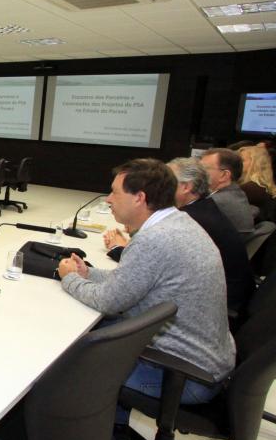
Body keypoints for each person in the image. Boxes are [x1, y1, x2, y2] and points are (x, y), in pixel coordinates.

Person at [58, 158, 235, 424]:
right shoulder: (177, 223)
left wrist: (69, 279)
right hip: (205, 361)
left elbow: (109, 301)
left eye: (115, 192)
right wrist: (88, 273)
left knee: (64, 363)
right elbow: (131, 280)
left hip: (183, 375)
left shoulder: (154, 240)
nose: (108, 199)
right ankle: (111, 430)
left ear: (139, 197)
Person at [104, 157, 255, 316]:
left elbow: (115, 296)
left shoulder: (191, 220)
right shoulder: (195, 213)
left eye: (168, 182)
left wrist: (119, 247)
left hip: (205, 314)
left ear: (186, 187)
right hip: (210, 308)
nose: (160, 187)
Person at [199, 148, 254, 235]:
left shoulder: (216, 202)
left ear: (224, 175)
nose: (198, 173)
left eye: (203, 169)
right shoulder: (235, 192)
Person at [237, 146, 276, 221]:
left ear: (255, 163)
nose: (238, 163)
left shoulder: (250, 188)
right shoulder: (262, 183)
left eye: (242, 160)